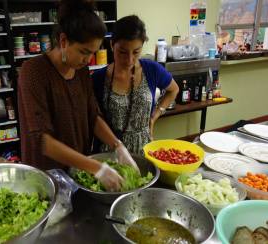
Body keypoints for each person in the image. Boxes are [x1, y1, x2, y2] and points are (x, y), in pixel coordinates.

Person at [18, 0, 139, 192]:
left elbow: (93, 116)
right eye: (84, 52)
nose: (88, 59)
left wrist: (117, 145)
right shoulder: (33, 72)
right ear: (64, 41)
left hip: (79, 170)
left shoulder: (81, 71)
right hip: (47, 177)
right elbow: (42, 140)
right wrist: (97, 168)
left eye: (92, 53)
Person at [92, 15, 179, 155]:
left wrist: (155, 116)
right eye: (122, 52)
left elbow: (174, 89)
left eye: (136, 52)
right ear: (112, 44)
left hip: (143, 150)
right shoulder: (98, 78)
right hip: (110, 153)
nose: (129, 60)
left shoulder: (151, 69)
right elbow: (95, 118)